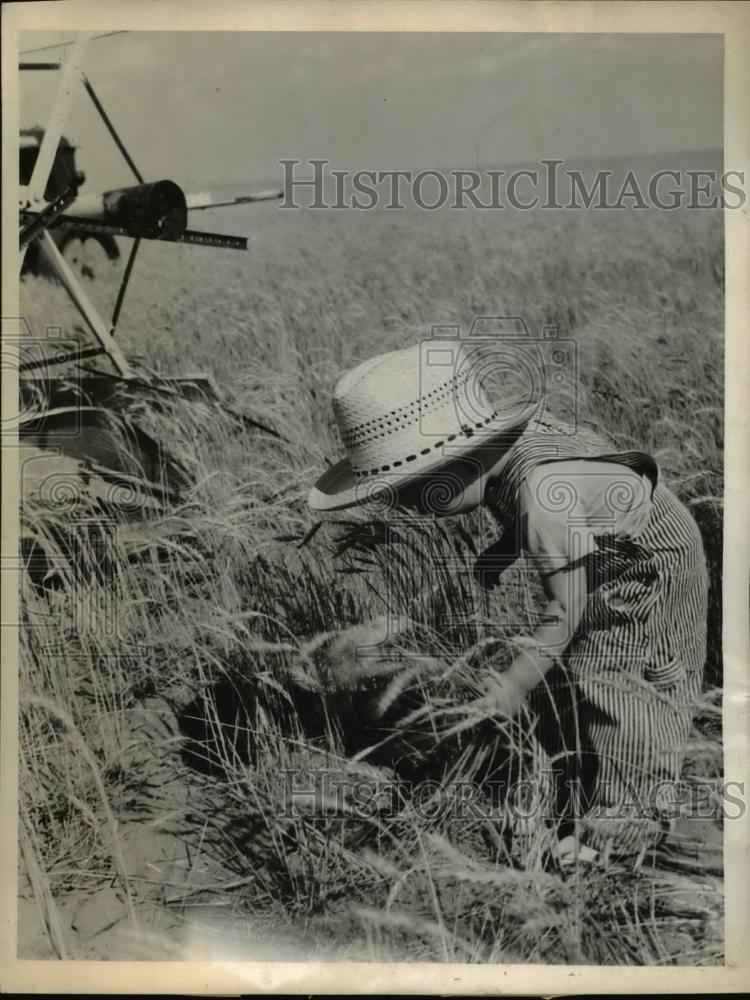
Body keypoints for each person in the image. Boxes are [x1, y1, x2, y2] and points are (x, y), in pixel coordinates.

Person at [308, 341, 708, 864]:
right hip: (617, 546)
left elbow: (567, 612)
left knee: (618, 685)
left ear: (458, 463)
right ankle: (584, 778)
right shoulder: (513, 453)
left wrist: (511, 687)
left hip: (643, 572)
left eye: (411, 491)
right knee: (573, 681)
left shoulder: (542, 495)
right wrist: (502, 549)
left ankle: (623, 828)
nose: (409, 508)